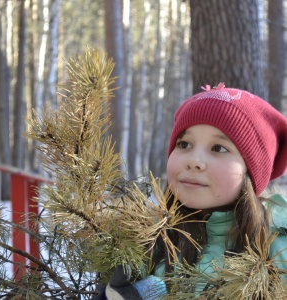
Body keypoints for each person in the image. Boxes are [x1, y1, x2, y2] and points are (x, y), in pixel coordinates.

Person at [96, 83, 287, 299]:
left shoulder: (278, 249)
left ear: (251, 173)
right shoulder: (146, 240)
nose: (194, 161)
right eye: (184, 144)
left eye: (219, 148)